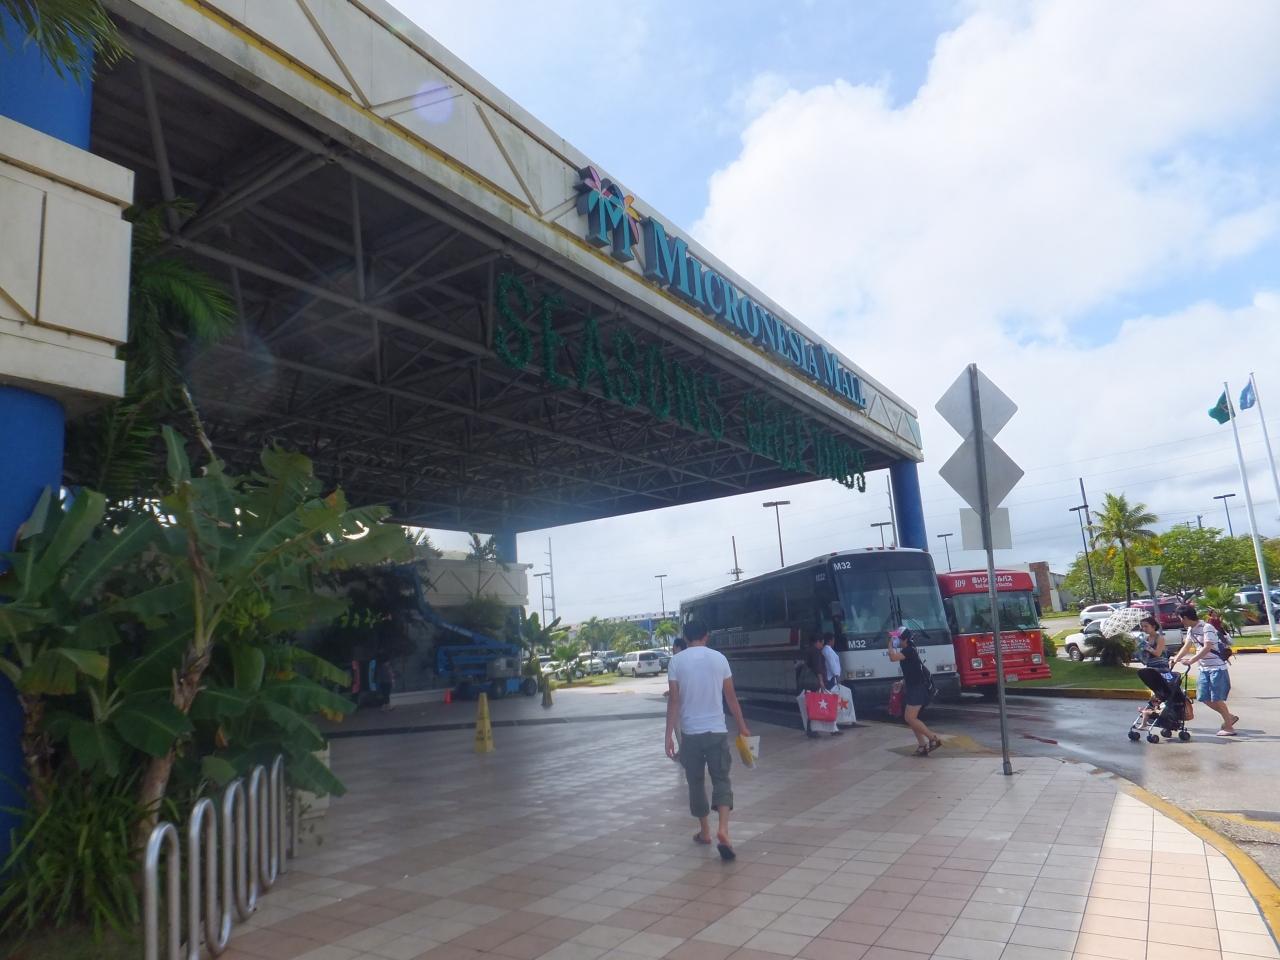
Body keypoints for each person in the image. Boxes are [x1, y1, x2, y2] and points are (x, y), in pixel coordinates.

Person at [665, 620, 750, 861]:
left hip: (691, 734)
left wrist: (669, 735)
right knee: (721, 779)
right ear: (706, 636)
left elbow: (674, 701)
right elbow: (731, 697)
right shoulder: (719, 659)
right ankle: (723, 829)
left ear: (686, 637)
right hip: (716, 730)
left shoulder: (676, 662)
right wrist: (742, 726)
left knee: (695, 782)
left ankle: (704, 831)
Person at [1173, 604, 1238, 737]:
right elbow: (1186, 646)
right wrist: (1175, 659)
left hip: (1216, 668)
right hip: (1204, 668)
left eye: (1180, 618)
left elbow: (1207, 647)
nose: (1180, 621)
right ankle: (1229, 717)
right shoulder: (1191, 630)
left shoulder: (1207, 627)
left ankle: (1229, 727)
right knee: (1203, 697)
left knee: (1216, 698)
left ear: (1185, 617)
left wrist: (1191, 660)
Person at [887, 627, 942, 756]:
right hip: (913, 687)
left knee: (910, 718)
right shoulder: (909, 649)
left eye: (897, 638)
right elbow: (912, 671)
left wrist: (890, 645)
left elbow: (893, 658)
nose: (895, 640)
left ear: (904, 639)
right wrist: (902, 682)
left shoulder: (909, 650)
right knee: (911, 718)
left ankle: (933, 739)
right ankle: (922, 745)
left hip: (918, 688)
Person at [820, 632, 845, 737]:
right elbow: (832, 664)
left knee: (831, 703)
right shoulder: (828, 650)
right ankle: (833, 728)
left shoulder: (826, 650)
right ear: (830, 640)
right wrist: (837, 675)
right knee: (832, 703)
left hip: (830, 679)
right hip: (831, 679)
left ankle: (833, 727)